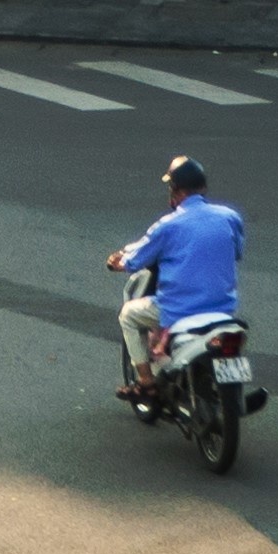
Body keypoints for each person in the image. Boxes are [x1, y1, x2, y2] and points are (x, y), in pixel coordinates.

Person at [107, 156, 242, 400]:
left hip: (179, 309)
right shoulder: (230, 217)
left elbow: (135, 259)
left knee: (128, 315)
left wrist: (118, 262)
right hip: (222, 309)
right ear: (203, 187)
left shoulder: (168, 225)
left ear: (175, 190)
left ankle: (146, 382)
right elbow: (237, 252)